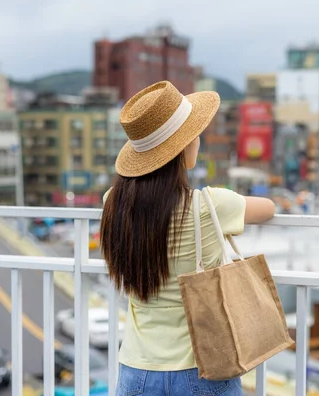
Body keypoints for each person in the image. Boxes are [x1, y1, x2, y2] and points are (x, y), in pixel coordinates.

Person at [99, 81, 275, 396]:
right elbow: (268, 208)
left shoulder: (113, 202)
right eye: (195, 134)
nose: (199, 140)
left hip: (137, 371)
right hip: (201, 369)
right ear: (182, 147)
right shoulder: (209, 205)